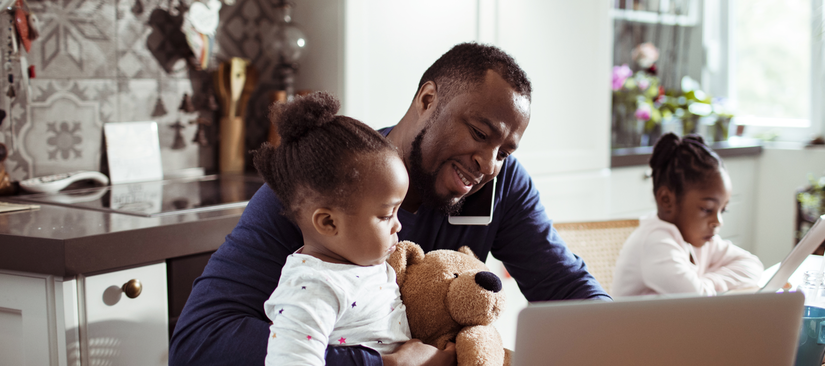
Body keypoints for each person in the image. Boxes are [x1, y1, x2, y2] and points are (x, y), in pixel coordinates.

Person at [170, 42, 610, 366]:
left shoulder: (502, 187)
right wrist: (380, 364)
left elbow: (565, 289)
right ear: (427, 100)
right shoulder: (322, 186)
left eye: (505, 151)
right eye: (479, 133)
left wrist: (630, 335)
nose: (489, 164)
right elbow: (198, 344)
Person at [254, 92, 411, 365]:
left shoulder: (362, 263)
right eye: (386, 215)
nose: (398, 224)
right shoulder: (313, 287)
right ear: (329, 223)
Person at [611, 133, 763, 296]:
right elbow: (697, 298)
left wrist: (709, 282)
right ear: (666, 199)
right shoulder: (654, 242)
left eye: (723, 210)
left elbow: (753, 265)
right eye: (707, 209)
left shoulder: (699, 239)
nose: (718, 222)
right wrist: (707, 285)